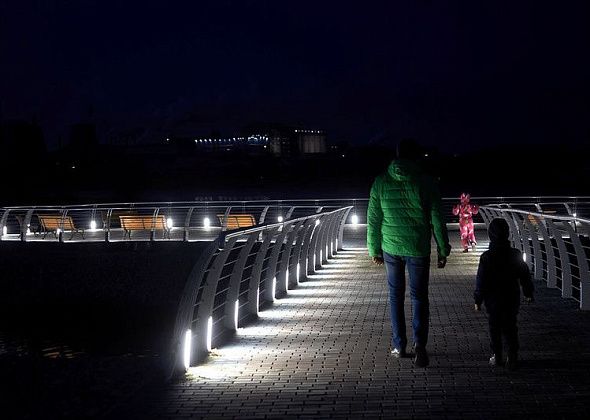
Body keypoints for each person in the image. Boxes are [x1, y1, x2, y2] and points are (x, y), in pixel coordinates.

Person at [367, 139, 451, 368]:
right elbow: (437, 218)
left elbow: (373, 220)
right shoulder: (426, 182)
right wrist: (443, 249)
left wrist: (374, 249)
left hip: (391, 247)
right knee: (419, 297)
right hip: (417, 247)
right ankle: (420, 346)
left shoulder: (380, 182)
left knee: (396, 297)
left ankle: (399, 345)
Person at [474, 218, 534, 370]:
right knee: (510, 326)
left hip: (492, 299)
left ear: (490, 235)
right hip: (511, 297)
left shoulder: (486, 257)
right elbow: (524, 275)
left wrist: (478, 299)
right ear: (507, 233)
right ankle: (512, 356)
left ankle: (497, 355)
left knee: (494, 327)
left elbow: (481, 280)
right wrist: (528, 293)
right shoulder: (515, 254)